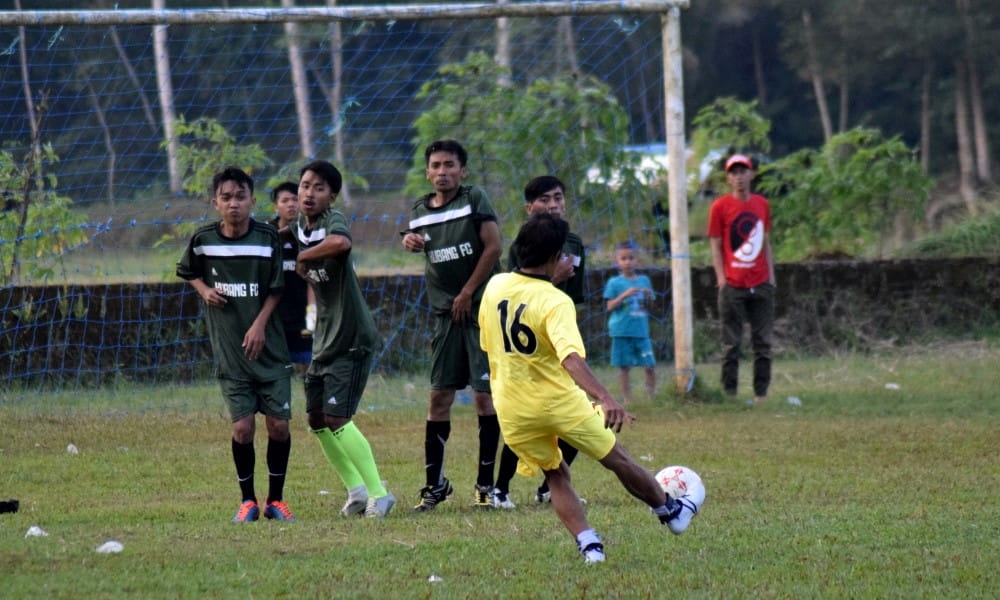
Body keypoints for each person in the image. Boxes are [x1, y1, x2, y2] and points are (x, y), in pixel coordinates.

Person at [479, 213, 702, 564]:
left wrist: (552, 279)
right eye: (562, 255)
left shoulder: (495, 286)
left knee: (555, 473)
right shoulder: (557, 302)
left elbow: (509, 322)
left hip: (512, 406)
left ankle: (589, 545)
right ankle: (670, 512)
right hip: (557, 402)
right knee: (617, 458)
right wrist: (605, 396)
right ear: (554, 257)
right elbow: (569, 357)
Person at [400, 139, 516, 511]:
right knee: (438, 397)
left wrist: (467, 293)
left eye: (450, 165)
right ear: (427, 171)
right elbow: (418, 240)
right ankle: (434, 485)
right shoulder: (420, 210)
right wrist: (410, 239)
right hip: (445, 316)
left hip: (480, 311)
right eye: (436, 165)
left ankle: (485, 486)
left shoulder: (474, 198)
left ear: (462, 171)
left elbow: (494, 247)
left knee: (485, 397)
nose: (442, 171)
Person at [177, 167, 296, 523]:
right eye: (226, 198)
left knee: (279, 426)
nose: (233, 204)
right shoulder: (203, 240)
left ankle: (276, 500)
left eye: (240, 197)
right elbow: (187, 271)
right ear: (215, 202)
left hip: (270, 349)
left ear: (252, 200)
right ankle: (248, 501)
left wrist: (259, 324)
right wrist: (204, 290)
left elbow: (277, 289)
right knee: (242, 429)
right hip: (231, 352)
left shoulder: (267, 238)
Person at [291, 159, 395, 518]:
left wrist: (304, 257)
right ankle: (356, 490)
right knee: (316, 419)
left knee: (338, 418)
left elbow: (340, 242)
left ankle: (380, 494)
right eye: (305, 185)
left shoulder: (331, 222)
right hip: (325, 338)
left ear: (331, 196)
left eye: (319, 188)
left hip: (351, 336)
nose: (310, 193)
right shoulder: (297, 229)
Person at [494, 175, 585, 508]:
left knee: (579, 415)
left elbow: (573, 299)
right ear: (530, 207)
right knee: (525, 420)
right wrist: (552, 279)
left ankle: (550, 487)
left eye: (558, 198)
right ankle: (500, 488)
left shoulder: (573, 243)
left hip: (557, 341)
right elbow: (515, 290)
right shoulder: (523, 243)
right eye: (545, 200)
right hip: (525, 346)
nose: (553, 205)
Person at [707, 153, 776, 405]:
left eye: (743, 171)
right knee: (731, 344)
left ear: (751, 174)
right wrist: (721, 279)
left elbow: (766, 242)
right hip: (732, 284)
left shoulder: (762, 204)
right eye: (734, 172)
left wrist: (771, 277)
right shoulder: (719, 207)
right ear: (728, 177)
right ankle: (730, 394)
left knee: (763, 342)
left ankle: (761, 394)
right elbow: (715, 245)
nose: (739, 177)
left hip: (761, 283)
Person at [603, 242, 657, 404]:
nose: (627, 262)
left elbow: (651, 305)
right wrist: (624, 295)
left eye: (631, 258)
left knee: (649, 366)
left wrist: (648, 296)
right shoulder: (615, 283)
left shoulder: (644, 280)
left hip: (641, 332)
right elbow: (610, 306)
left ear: (637, 261)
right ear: (617, 261)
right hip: (621, 331)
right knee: (624, 367)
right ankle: (627, 400)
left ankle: (651, 398)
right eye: (623, 258)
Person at [270, 181, 315, 373]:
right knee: (276, 367)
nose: (291, 204)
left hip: (302, 311)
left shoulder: (311, 234)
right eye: (285, 200)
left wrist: (312, 313)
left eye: (295, 199)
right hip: (272, 313)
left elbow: (313, 279)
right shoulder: (267, 236)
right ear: (276, 206)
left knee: (308, 364)